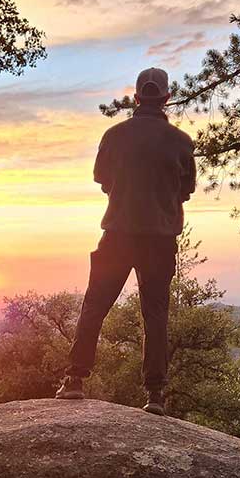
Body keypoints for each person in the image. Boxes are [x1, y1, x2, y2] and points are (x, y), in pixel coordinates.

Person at [55, 67, 196, 415]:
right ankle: (155, 395)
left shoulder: (114, 135)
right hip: (159, 241)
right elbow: (187, 191)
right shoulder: (181, 142)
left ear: (135, 97)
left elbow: (102, 178)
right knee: (156, 314)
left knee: (95, 306)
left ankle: (74, 380)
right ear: (166, 97)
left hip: (117, 235)